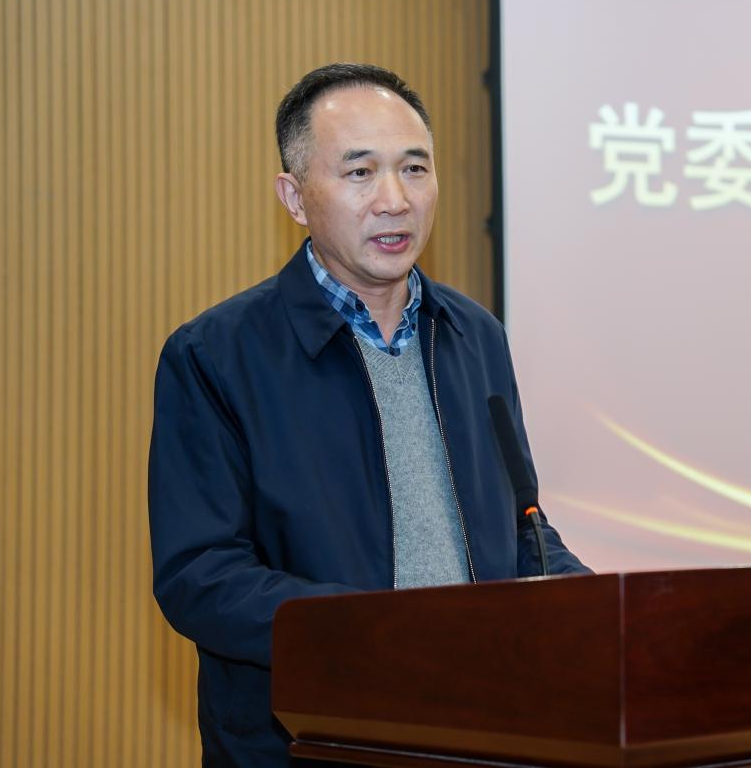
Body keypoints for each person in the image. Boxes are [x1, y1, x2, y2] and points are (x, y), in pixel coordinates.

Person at [148, 63, 588, 767]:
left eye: (415, 169)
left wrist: (601, 612)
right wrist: (381, 638)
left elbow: (520, 528)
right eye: (360, 173)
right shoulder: (216, 355)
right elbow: (201, 576)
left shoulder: (476, 336)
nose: (395, 200)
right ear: (294, 197)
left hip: (483, 733)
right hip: (307, 742)